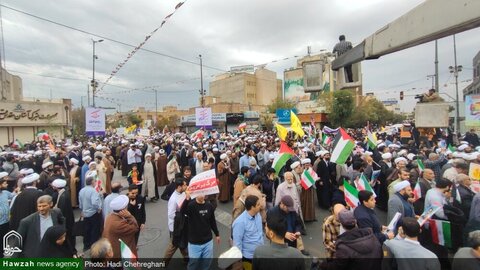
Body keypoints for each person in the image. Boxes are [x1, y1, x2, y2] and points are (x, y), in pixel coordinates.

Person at [182, 193, 220, 270]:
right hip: (194, 243)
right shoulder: (191, 205)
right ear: (195, 194)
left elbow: (212, 221)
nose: (202, 196)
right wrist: (187, 199)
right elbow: (182, 211)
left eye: (203, 193)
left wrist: (217, 234)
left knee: (207, 263)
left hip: (208, 241)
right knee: (193, 264)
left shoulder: (209, 206)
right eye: (200, 193)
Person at [232, 195, 264, 267]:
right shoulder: (240, 222)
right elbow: (237, 244)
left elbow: (260, 233)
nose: (260, 206)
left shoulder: (258, 215)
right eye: (258, 204)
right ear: (252, 207)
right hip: (249, 257)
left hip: (260, 253)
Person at [164, 178, 189, 264]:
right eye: (185, 185)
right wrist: (181, 216)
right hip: (176, 226)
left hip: (182, 224)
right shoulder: (173, 199)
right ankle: (164, 262)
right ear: (179, 187)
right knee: (173, 245)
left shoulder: (182, 193)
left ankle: (186, 258)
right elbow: (171, 214)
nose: (186, 186)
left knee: (183, 243)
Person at [78, 175, 103, 251]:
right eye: (95, 181)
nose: (95, 182)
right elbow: (94, 202)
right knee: (94, 230)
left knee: (87, 230)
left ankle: (86, 245)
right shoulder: (93, 191)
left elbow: (80, 202)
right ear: (92, 182)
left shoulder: (82, 190)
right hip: (93, 213)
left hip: (85, 213)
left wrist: (82, 210)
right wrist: (99, 208)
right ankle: (94, 245)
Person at [51, 179, 76, 254]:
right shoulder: (63, 193)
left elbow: (62, 211)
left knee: (69, 238)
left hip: (67, 222)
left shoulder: (63, 196)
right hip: (68, 220)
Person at [0, 173, 15, 258]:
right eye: (5, 183)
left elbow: (13, 196)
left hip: (6, 221)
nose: (7, 184)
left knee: (4, 239)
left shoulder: (5, 192)